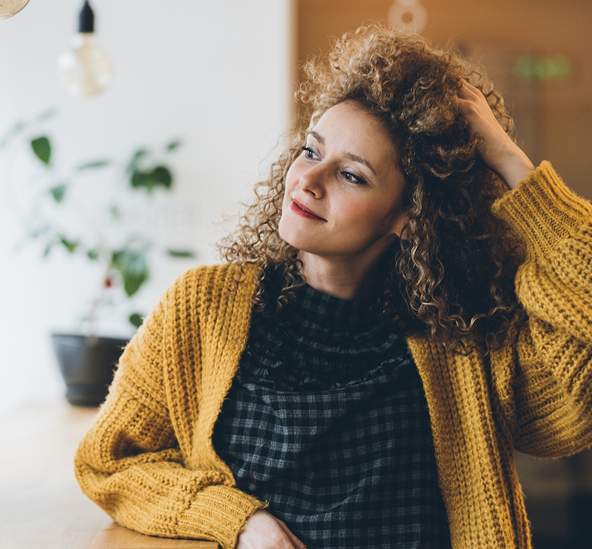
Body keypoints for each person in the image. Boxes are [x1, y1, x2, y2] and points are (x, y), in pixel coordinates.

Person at [73, 23, 592, 549]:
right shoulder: (202, 308)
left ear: (408, 217)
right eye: (311, 150)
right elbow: (110, 464)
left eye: (353, 175)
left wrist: (513, 164)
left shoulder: (469, 345)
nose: (308, 180)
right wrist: (237, 521)